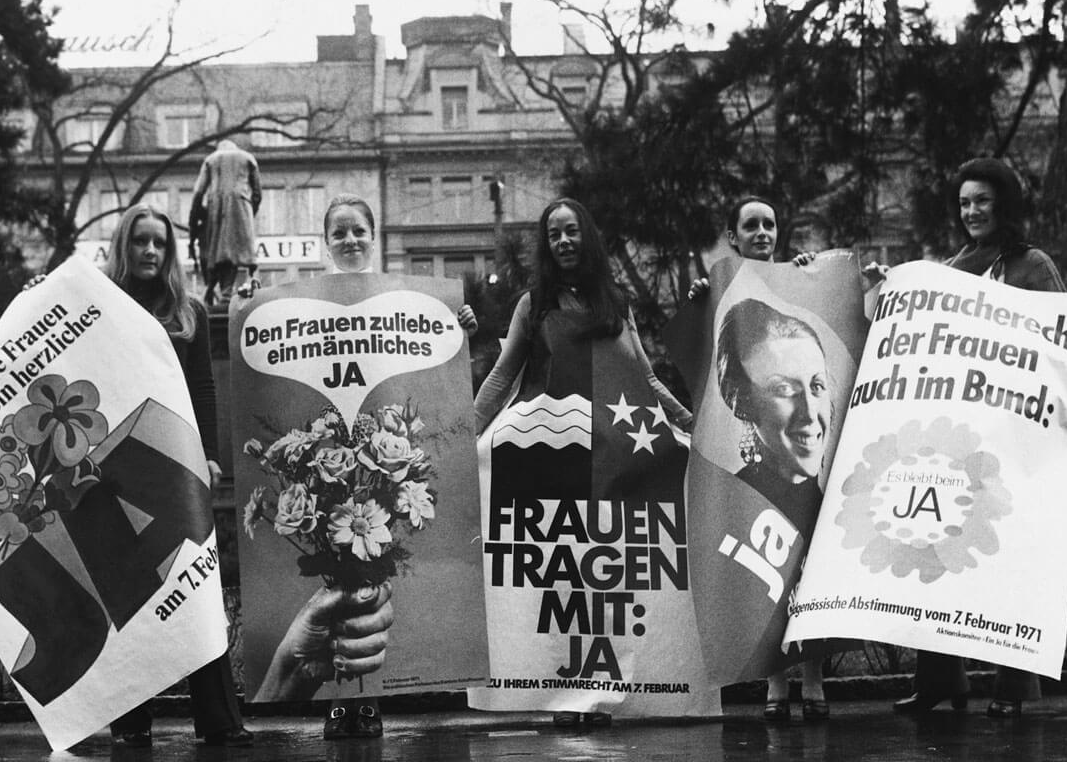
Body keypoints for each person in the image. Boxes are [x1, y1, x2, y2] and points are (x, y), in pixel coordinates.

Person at [475, 197, 693, 728]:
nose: (564, 241)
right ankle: (565, 695)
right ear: (546, 246)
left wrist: (694, 426)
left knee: (607, 583)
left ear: (587, 237)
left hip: (616, 466)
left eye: (572, 231)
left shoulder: (617, 302)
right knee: (564, 585)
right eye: (554, 235)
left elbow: (647, 379)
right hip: (555, 463)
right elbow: (503, 377)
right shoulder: (533, 305)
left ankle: (597, 694)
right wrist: (461, 435)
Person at [894, 157, 1063, 719]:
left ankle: (1015, 688)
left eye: (982, 201)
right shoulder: (950, 270)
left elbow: (1065, 343)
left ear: (1004, 204)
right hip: (959, 440)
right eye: (964, 202)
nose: (971, 211)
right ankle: (942, 679)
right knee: (938, 545)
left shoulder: (1030, 265)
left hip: (1015, 435)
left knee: (1008, 558)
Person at [304, 193, 476, 739]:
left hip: (383, 455)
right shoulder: (308, 297)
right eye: (340, 232)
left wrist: (458, 323)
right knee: (339, 582)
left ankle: (369, 699)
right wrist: (243, 306)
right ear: (325, 242)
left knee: (372, 581)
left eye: (359, 231)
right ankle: (338, 700)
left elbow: (427, 358)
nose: (350, 240)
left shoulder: (398, 297)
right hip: (332, 455)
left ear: (372, 237)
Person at [103, 203, 254, 748]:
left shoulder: (188, 312)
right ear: (125, 245)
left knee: (195, 593)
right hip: (113, 472)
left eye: (159, 243)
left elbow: (203, 390)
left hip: (178, 468)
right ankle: (130, 724)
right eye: (140, 241)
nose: (149, 251)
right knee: (130, 594)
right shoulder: (99, 308)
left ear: (170, 252)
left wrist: (209, 455)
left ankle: (219, 722)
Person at [689, 196, 829, 721]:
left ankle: (812, 680)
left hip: (808, 491)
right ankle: (776, 681)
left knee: (810, 577)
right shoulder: (723, 288)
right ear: (734, 235)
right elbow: (695, 353)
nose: (764, 232)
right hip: (761, 484)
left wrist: (817, 278)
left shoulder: (801, 278)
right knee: (766, 580)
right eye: (752, 225)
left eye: (771, 223)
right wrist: (701, 301)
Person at [188, 139, 262, 307]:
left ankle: (224, 294)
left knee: (219, 252)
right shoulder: (248, 158)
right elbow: (257, 193)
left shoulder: (211, 160)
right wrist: (250, 213)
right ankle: (226, 293)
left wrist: (195, 222)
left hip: (216, 208)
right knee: (233, 251)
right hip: (242, 205)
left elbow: (198, 193)